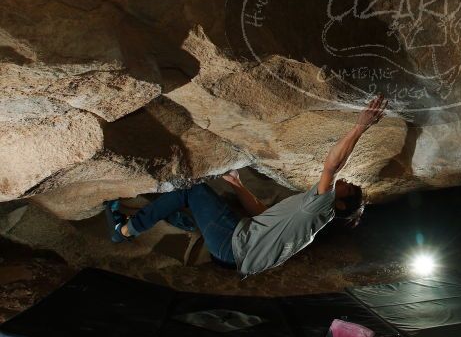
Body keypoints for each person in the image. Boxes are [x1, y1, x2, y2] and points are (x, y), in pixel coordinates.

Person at [105, 94, 388, 276]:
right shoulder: (307, 217)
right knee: (199, 201)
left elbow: (332, 165)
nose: (343, 181)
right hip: (233, 255)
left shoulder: (319, 209)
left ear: (339, 203)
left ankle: (125, 230)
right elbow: (262, 214)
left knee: (193, 191)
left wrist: (360, 127)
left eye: (347, 187)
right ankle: (185, 221)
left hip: (232, 244)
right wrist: (239, 186)